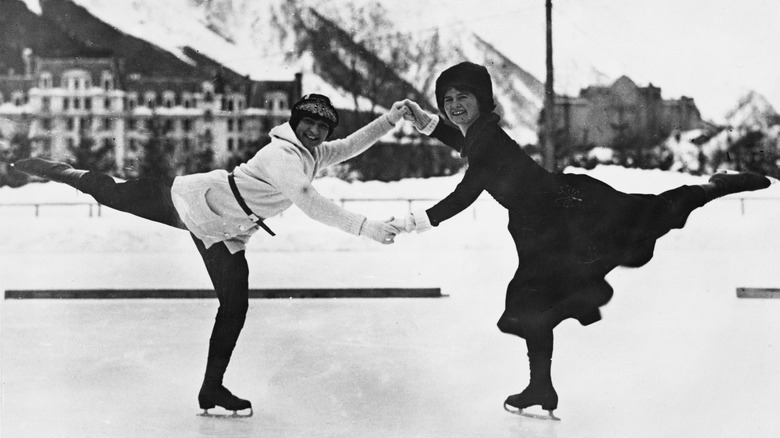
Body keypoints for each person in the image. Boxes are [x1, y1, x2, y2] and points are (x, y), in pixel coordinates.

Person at [394, 62, 771, 419]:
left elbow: (466, 192)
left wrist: (417, 221)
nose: (455, 106)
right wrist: (426, 124)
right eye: (447, 101)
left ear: (481, 99)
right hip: (540, 230)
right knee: (531, 308)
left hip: (570, 210)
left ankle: (714, 185)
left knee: (652, 215)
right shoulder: (478, 135)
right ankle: (540, 386)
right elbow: (463, 144)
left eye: (463, 97)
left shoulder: (487, 139)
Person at [11, 93, 407, 417]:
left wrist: (390, 120)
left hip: (224, 234)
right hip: (191, 200)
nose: (316, 131)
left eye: (323, 127)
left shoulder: (311, 153)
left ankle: (211, 388)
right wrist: (365, 227)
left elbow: (349, 146)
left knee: (234, 307)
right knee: (113, 193)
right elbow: (306, 199)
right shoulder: (282, 154)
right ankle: (63, 172)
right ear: (293, 120)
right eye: (310, 123)